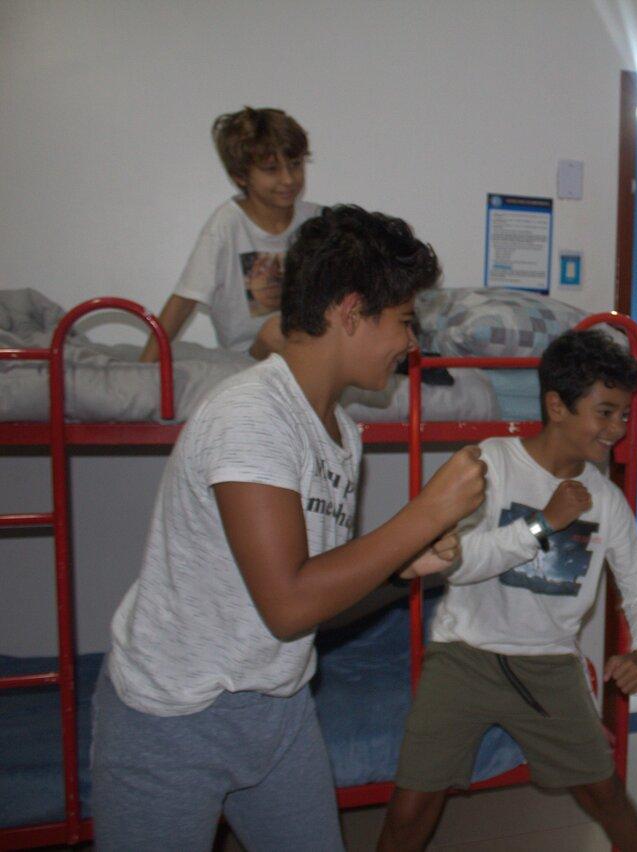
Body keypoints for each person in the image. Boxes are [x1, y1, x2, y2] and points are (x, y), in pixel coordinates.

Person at [93, 205, 487, 851]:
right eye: (404, 321)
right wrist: (426, 512)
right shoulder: (251, 417)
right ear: (351, 312)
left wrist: (399, 570)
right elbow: (288, 603)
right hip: (173, 718)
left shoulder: (340, 433)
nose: (412, 344)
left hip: (279, 708)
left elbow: (317, 601)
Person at [378, 329, 637, 852]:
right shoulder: (490, 463)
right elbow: (457, 566)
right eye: (605, 412)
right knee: (410, 810)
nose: (618, 428)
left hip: (549, 666)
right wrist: (543, 524)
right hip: (464, 657)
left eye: (624, 414)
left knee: (607, 795)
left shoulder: (607, 501)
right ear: (556, 406)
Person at [140, 106, 320, 362]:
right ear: (240, 176)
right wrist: (144, 369)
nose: (288, 179)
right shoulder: (227, 225)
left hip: (310, 355)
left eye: (295, 164)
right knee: (277, 332)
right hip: (248, 359)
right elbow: (183, 302)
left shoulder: (318, 221)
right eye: (272, 169)